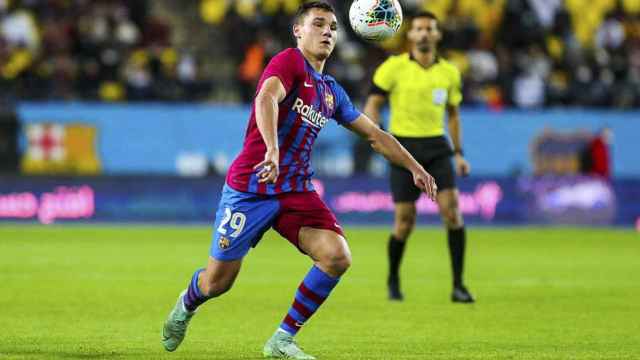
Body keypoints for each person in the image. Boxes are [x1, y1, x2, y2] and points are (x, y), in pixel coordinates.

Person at [161, 2, 438, 359]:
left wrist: (415, 167)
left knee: (337, 256)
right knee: (217, 282)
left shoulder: (331, 91)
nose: (327, 32)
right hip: (252, 187)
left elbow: (375, 135)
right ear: (298, 31)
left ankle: (281, 340)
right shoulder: (288, 62)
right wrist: (272, 150)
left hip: (295, 190)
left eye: (333, 27)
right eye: (318, 24)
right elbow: (266, 99)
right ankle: (186, 304)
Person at [363, 11, 475, 303]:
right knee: (404, 221)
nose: (424, 33)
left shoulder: (449, 72)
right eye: (419, 29)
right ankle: (393, 279)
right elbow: (372, 104)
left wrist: (460, 153)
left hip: (437, 146)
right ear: (410, 35)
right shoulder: (393, 67)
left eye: (429, 29)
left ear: (437, 35)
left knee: (452, 213)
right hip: (403, 147)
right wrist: (379, 137)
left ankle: (459, 285)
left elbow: (454, 115)